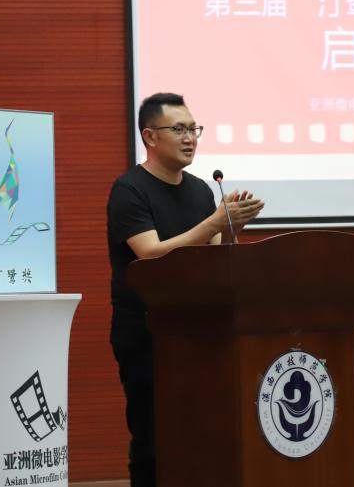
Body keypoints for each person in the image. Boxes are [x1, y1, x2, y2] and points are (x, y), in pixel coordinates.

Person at [106, 92, 264, 487]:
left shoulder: (199, 191)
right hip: (147, 331)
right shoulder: (129, 190)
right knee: (153, 437)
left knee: (202, 431)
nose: (190, 138)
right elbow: (150, 253)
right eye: (179, 129)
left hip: (199, 328)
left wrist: (230, 229)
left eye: (194, 129)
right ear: (150, 136)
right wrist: (214, 223)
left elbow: (213, 259)